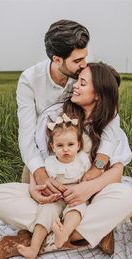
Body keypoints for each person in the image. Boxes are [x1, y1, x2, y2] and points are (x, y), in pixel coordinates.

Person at [0, 62, 132, 259]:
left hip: (88, 200)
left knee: (127, 197)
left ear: (98, 95)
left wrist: (87, 188)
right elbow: (38, 161)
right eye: (78, 81)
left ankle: (40, 240)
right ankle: (83, 235)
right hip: (53, 196)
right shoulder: (54, 116)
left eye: (82, 83)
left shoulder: (110, 122)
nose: (75, 86)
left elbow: (117, 171)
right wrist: (34, 190)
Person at [17, 19, 90, 191]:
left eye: (85, 57)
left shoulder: (86, 73)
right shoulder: (29, 80)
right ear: (57, 60)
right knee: (31, 197)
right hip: (44, 152)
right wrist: (39, 172)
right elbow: (26, 134)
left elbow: (109, 115)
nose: (85, 64)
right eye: (78, 60)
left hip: (82, 150)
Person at [17, 113, 91, 259]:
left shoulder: (82, 159)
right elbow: (37, 175)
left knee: (76, 211)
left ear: (78, 145)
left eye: (70, 144)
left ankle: (63, 234)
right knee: (45, 213)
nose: (65, 149)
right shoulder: (50, 162)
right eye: (60, 145)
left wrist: (84, 190)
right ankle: (34, 248)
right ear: (52, 147)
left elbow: (88, 179)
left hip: (76, 195)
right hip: (56, 198)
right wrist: (38, 190)